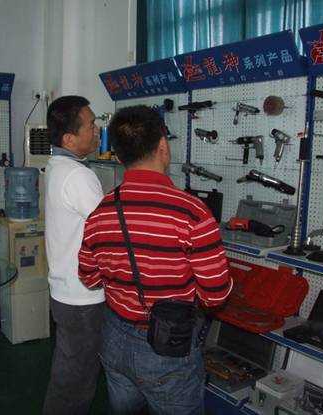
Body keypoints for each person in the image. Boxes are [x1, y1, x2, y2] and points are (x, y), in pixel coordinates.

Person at [78, 105, 233, 414]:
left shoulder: (100, 212)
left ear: (119, 157)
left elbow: (89, 277)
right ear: (163, 146)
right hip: (167, 346)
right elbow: (216, 295)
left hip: (113, 338)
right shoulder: (192, 212)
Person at [43, 95, 105, 414]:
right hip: (82, 297)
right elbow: (108, 231)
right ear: (69, 139)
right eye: (91, 125)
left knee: (70, 371)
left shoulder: (57, 167)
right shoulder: (79, 176)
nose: (97, 130)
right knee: (75, 382)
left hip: (65, 291)